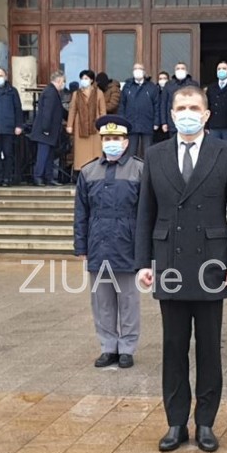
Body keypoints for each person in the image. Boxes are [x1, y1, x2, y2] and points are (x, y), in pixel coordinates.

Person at [135, 85, 227, 453]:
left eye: (194, 107)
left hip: (211, 262)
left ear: (206, 114)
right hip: (169, 260)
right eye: (181, 107)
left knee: (209, 348)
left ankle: (205, 422)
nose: (187, 113)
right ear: (171, 114)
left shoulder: (226, 153)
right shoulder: (155, 155)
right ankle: (175, 421)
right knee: (173, 346)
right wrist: (142, 263)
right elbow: (145, 213)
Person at [74, 115, 144, 369]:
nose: (111, 142)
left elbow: (147, 213)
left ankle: (127, 348)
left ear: (126, 142)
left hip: (127, 245)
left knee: (128, 301)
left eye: (116, 138)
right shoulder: (89, 171)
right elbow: (81, 213)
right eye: (107, 138)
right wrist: (81, 246)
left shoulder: (139, 170)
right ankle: (108, 347)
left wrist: (145, 249)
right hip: (98, 244)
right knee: (102, 301)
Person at [29, 71, 66, 186]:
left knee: (49, 155)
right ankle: (38, 177)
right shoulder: (51, 92)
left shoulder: (52, 92)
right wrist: (46, 128)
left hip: (49, 131)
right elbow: (47, 112)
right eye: (63, 81)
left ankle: (48, 177)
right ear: (59, 80)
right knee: (43, 155)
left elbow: (59, 110)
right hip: (45, 131)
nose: (64, 84)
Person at [66, 69, 107, 170]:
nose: (83, 80)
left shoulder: (99, 93)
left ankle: (96, 170)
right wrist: (69, 125)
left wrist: (103, 125)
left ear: (91, 80)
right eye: (82, 78)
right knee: (81, 154)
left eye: (86, 78)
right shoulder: (76, 94)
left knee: (95, 152)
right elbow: (72, 110)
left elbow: (102, 111)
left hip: (95, 127)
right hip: (80, 127)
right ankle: (81, 171)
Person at [119, 63, 159, 157]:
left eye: (140, 68)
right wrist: (122, 121)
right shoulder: (127, 87)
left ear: (144, 72)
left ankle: (148, 167)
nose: (137, 70)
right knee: (131, 152)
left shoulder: (151, 87)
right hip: (131, 123)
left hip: (147, 123)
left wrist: (156, 122)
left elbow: (157, 105)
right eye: (135, 69)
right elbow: (122, 105)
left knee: (148, 151)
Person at [158, 61, 199, 136]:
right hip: (172, 122)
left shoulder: (193, 85)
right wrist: (164, 122)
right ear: (175, 71)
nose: (180, 70)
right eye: (178, 69)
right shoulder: (169, 85)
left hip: (189, 121)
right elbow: (163, 104)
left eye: (182, 68)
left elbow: (198, 103)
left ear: (186, 71)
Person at [206, 61, 227, 141]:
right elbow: (207, 106)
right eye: (219, 69)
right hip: (214, 125)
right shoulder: (211, 87)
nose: (221, 70)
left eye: (224, 68)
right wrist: (206, 125)